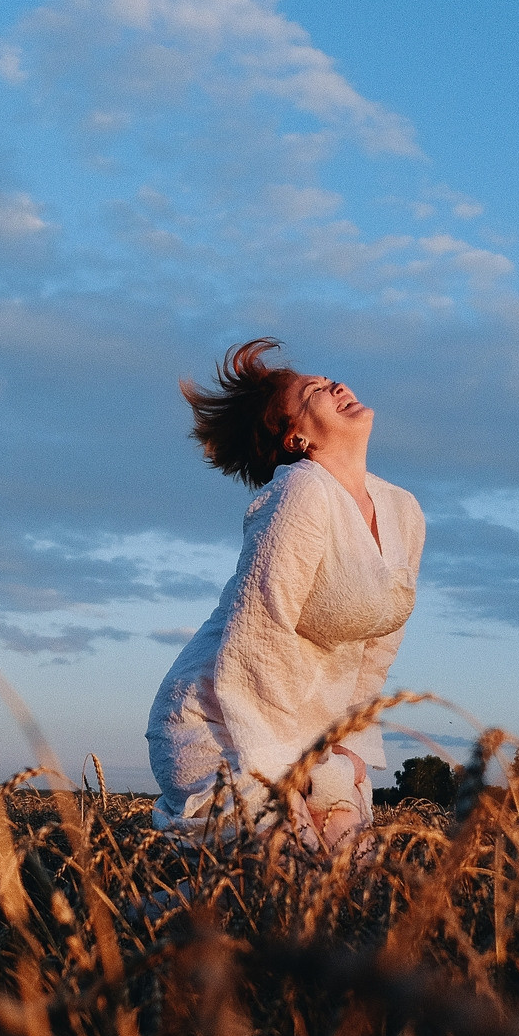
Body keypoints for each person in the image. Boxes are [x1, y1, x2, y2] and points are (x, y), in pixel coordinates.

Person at [146, 338, 426, 847]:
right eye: (315, 391)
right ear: (296, 438)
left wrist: (350, 747)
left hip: (309, 731)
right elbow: (259, 636)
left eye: (330, 380)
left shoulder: (403, 511)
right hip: (220, 720)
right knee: (283, 866)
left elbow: (377, 650)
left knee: (354, 872)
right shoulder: (300, 492)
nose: (336, 386)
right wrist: (282, 768)